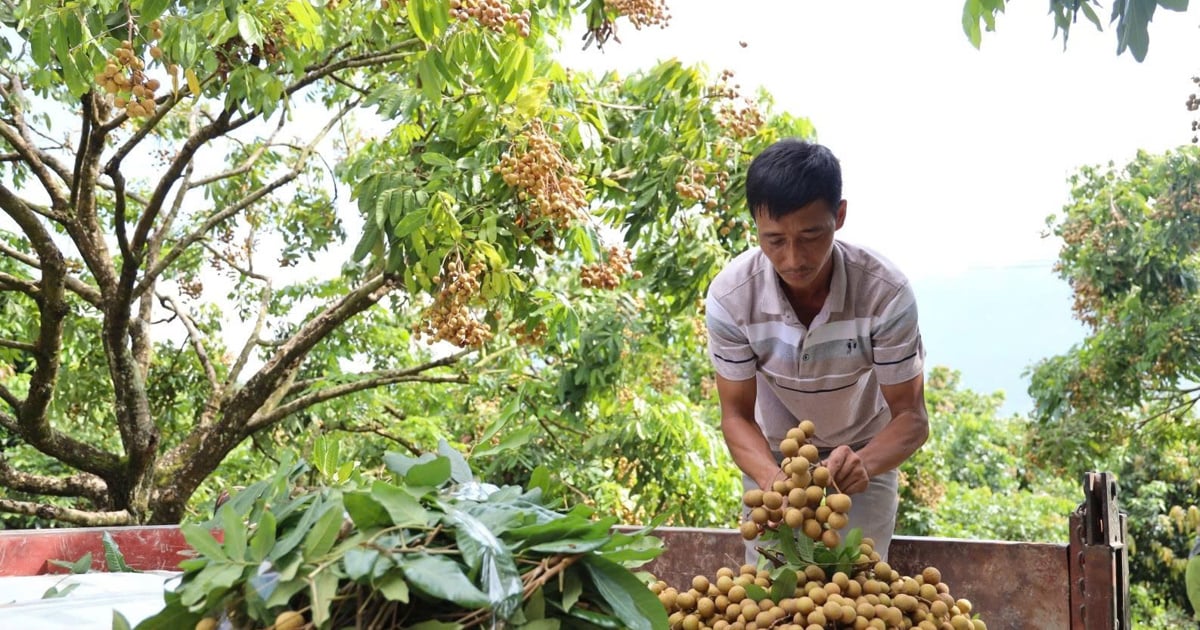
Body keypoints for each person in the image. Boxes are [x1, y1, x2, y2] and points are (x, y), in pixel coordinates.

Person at [704, 139, 929, 562]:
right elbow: (734, 416)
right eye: (774, 240)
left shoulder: (885, 293)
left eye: (811, 236)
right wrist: (772, 482)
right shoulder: (732, 297)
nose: (793, 259)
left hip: (864, 453)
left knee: (856, 592)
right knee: (770, 593)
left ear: (839, 216)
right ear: (754, 225)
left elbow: (912, 419)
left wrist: (864, 462)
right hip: (773, 456)